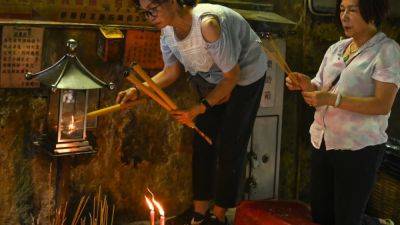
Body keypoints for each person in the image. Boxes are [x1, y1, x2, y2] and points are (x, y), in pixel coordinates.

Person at [116, 0, 268, 224]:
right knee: (202, 141)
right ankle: (199, 214)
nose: (150, 17)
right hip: (215, 78)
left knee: (230, 144)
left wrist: (198, 108)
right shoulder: (167, 32)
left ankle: (219, 215)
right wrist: (139, 90)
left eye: (153, 10)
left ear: (172, 2)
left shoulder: (207, 25)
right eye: (144, 13)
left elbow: (232, 77)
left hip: (245, 75)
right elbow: (170, 72)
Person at [285, 0, 399, 224]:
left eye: (352, 10)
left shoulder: (387, 51)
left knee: (347, 218)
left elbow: (382, 104)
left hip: (358, 147)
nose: (344, 16)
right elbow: (320, 86)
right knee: (321, 213)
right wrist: (305, 84)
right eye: (341, 9)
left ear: (371, 12)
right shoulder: (337, 48)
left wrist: (333, 99)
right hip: (324, 140)